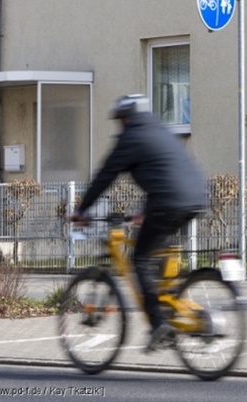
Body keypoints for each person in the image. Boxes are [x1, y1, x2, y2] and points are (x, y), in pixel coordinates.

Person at [71, 94, 207, 351]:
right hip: (195, 197)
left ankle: (158, 325)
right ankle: (169, 303)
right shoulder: (161, 132)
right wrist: (144, 209)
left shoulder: (131, 138)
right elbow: (165, 173)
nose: (119, 126)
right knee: (159, 249)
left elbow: (104, 176)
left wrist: (82, 210)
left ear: (125, 118)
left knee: (140, 260)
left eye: (119, 121)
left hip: (168, 201)